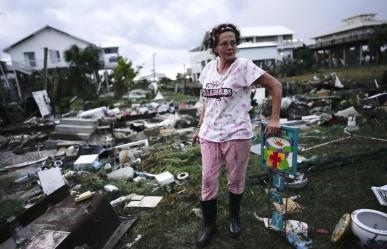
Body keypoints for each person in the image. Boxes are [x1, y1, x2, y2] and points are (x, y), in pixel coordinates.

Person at [192, 23, 282, 247]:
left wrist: (274, 118)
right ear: (215, 47)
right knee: (208, 181)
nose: (230, 47)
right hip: (209, 134)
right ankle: (209, 225)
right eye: (224, 43)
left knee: (235, 180)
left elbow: (276, 85)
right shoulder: (207, 70)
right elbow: (206, 102)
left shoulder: (244, 67)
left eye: (233, 43)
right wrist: (199, 126)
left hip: (237, 134)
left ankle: (234, 218)